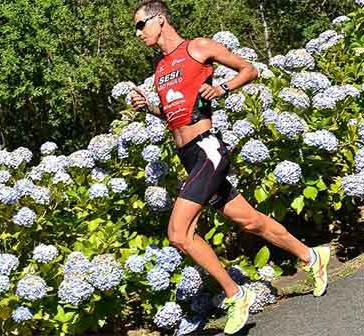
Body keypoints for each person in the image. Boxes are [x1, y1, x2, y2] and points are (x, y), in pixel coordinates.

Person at [130, 1, 330, 334]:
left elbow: (249, 69)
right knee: (249, 220)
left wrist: (222, 87)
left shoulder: (198, 47)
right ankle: (312, 258)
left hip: (208, 150)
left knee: (179, 234)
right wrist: (149, 107)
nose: (137, 33)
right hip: (190, 156)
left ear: (160, 20)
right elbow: (174, 118)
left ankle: (236, 294)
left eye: (140, 25)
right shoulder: (161, 69)